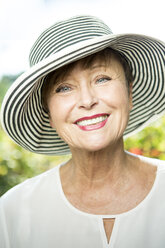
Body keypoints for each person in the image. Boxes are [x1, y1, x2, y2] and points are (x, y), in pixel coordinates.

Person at [0, 15, 165, 248]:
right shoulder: (14, 212)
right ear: (47, 112)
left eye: (102, 79)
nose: (87, 101)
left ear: (129, 92)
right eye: (64, 87)